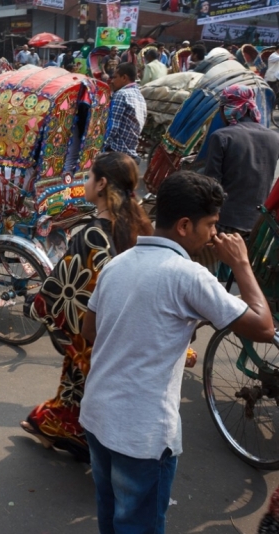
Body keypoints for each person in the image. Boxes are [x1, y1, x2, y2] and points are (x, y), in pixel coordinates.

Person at [80, 171, 274, 533]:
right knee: (139, 525)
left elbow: (90, 331)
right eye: (211, 224)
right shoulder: (188, 276)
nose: (215, 235)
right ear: (185, 225)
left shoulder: (117, 264)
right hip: (141, 436)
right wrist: (242, 264)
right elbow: (263, 326)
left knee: (111, 518)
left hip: (97, 416)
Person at [21, 152, 153, 463]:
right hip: (131, 329)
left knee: (78, 355)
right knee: (75, 378)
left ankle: (72, 429)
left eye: (89, 177)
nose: (86, 182)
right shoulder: (139, 224)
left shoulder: (92, 233)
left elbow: (64, 290)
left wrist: (35, 304)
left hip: (99, 332)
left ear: (102, 183)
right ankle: (59, 425)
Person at [203, 85, 279, 234]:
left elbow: (212, 185)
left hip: (225, 221)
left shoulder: (222, 137)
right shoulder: (274, 137)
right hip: (258, 224)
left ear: (229, 109)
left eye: (221, 109)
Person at [104, 63, 147, 161]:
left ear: (124, 78)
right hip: (131, 150)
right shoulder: (139, 95)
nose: (112, 81)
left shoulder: (121, 94)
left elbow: (112, 127)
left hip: (117, 150)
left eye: (115, 77)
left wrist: (100, 147)